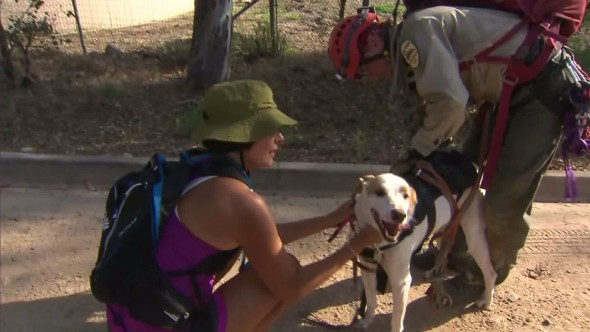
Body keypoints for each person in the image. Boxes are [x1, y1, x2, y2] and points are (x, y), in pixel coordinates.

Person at [327, 5, 588, 291]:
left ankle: (483, 274)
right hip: (509, 90)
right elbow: (435, 110)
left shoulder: (416, 32)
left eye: (363, 71)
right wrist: (415, 160)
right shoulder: (409, 47)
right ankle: (455, 256)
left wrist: (417, 153)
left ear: (374, 44)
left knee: (506, 197)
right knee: (460, 181)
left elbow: (451, 106)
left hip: (542, 91)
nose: (370, 78)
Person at [105, 79, 382, 332]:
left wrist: (328, 220)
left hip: (130, 320)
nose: (279, 137)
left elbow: (260, 238)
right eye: (269, 128)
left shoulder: (195, 168)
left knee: (272, 265)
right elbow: (292, 286)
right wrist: (359, 242)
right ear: (242, 135)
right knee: (275, 278)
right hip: (161, 325)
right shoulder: (241, 202)